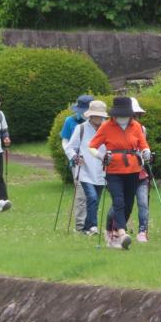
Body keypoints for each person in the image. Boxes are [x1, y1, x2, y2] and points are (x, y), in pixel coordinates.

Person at [88, 96, 150, 250]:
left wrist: (146, 152)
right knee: (118, 201)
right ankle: (121, 233)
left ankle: (111, 230)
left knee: (128, 203)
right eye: (120, 114)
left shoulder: (136, 126)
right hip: (113, 170)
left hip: (133, 170)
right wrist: (101, 156)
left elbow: (143, 145)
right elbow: (92, 146)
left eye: (126, 114)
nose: (123, 118)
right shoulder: (106, 127)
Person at [64, 99, 107, 234]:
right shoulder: (81, 128)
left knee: (96, 201)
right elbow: (70, 148)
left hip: (102, 171)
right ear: (90, 115)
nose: (98, 118)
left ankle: (87, 228)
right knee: (92, 198)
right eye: (96, 115)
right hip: (84, 170)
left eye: (100, 116)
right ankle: (92, 226)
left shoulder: (108, 128)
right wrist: (75, 158)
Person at [61, 95, 95, 232]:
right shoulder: (70, 121)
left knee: (93, 196)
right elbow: (65, 140)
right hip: (78, 163)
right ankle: (80, 226)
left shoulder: (100, 122)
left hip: (95, 164)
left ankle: (91, 224)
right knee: (81, 194)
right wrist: (72, 156)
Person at [131, 97, 151, 242]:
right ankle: (116, 227)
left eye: (136, 115)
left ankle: (143, 231)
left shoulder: (142, 129)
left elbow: (143, 146)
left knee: (143, 203)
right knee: (123, 203)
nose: (135, 118)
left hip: (141, 172)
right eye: (132, 115)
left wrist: (146, 155)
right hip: (124, 172)